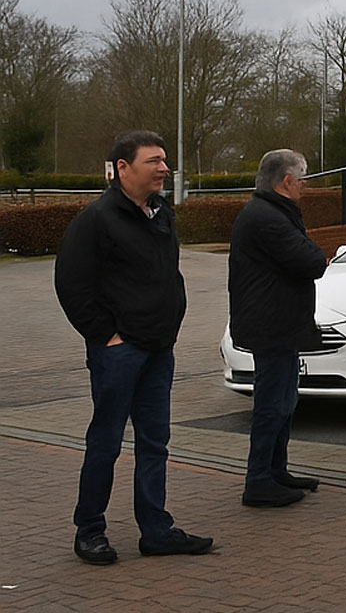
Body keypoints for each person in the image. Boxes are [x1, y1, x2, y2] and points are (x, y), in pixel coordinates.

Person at [53, 131, 214, 565]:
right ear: (122, 168)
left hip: (159, 349)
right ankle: (89, 531)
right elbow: (71, 284)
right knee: (106, 442)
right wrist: (106, 336)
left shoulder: (162, 212)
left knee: (155, 441)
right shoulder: (97, 219)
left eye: (165, 160)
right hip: (119, 353)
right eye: (153, 161)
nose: (164, 168)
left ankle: (156, 531)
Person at [227, 149, 330, 508]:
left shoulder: (270, 212)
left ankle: (276, 470)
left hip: (277, 325)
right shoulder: (267, 217)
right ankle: (258, 481)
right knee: (272, 403)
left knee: (284, 401)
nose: (304, 187)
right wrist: (315, 253)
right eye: (301, 180)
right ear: (286, 181)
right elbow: (312, 260)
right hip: (270, 327)